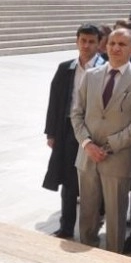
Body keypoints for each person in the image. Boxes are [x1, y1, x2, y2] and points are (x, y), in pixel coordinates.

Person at [70, 28, 131, 253]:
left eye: (122, 44)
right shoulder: (91, 75)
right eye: (112, 43)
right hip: (87, 157)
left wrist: (107, 147)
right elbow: (76, 113)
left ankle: (114, 257)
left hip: (117, 158)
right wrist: (87, 144)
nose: (116, 48)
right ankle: (86, 251)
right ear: (105, 46)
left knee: (116, 215)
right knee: (87, 212)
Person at [43, 24, 104, 239]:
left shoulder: (105, 69)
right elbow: (55, 101)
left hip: (94, 133)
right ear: (77, 41)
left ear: (99, 44)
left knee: (93, 182)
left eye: (91, 41)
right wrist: (51, 132)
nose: (86, 46)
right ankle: (66, 226)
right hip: (68, 131)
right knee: (68, 181)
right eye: (83, 41)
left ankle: (92, 228)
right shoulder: (65, 68)